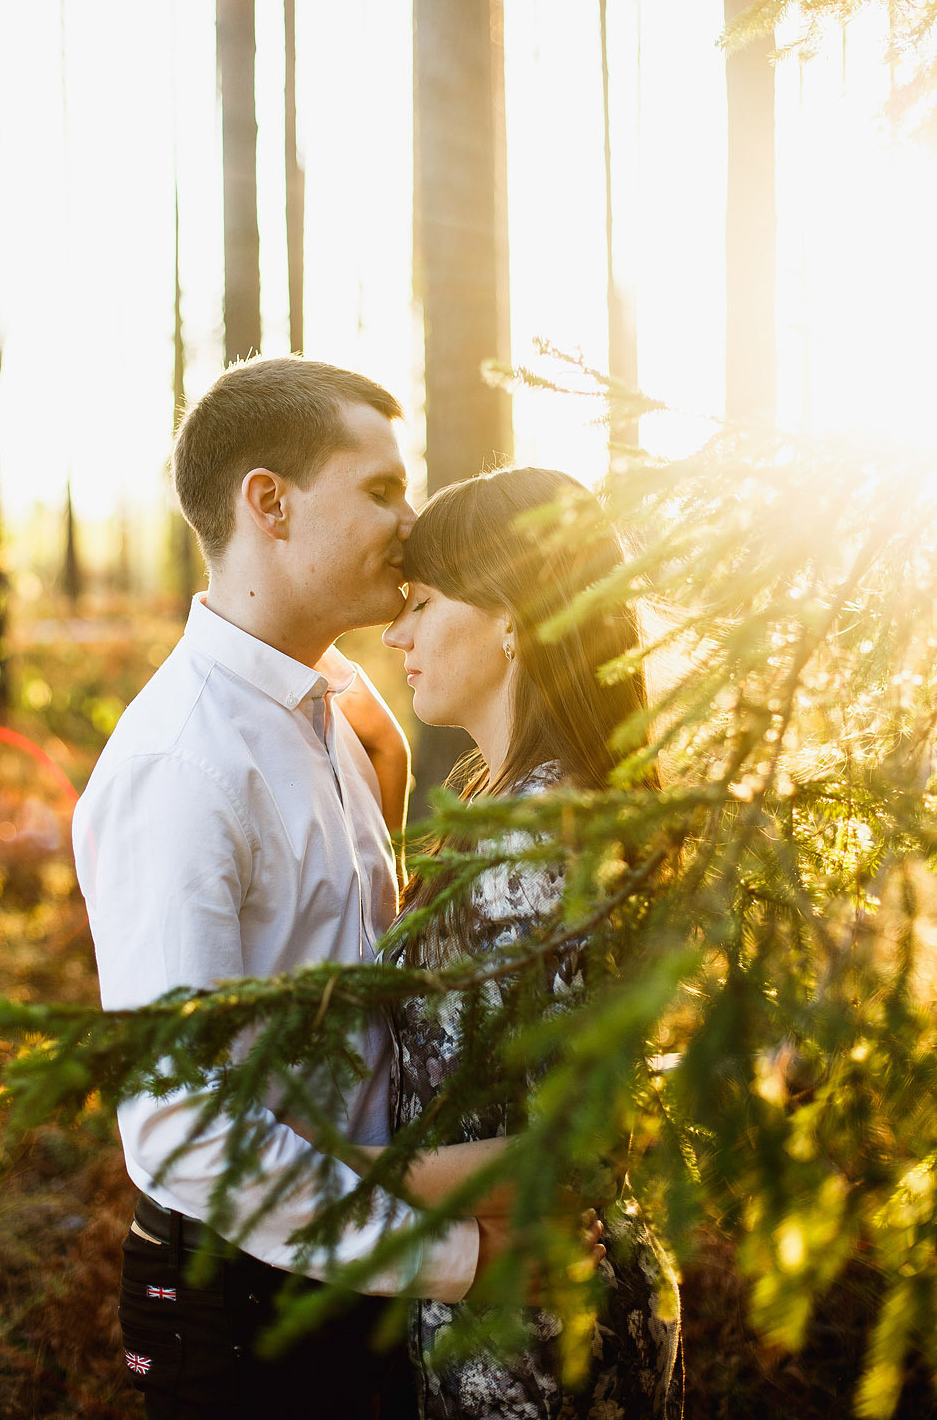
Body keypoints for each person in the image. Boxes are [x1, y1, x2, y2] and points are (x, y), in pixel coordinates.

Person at [72, 356, 503, 1420]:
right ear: (267, 501)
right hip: (243, 1304)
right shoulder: (184, 763)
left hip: (345, 1263)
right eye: (378, 489)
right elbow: (183, 1126)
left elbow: (345, 999)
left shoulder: (333, 719)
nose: (409, 521)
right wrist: (453, 1257)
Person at [378, 466, 685, 1420]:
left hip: (546, 1326)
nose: (397, 634)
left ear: (509, 617)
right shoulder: (506, 803)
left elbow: (573, 1144)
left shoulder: (535, 836)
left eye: (421, 604)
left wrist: (343, 1166)